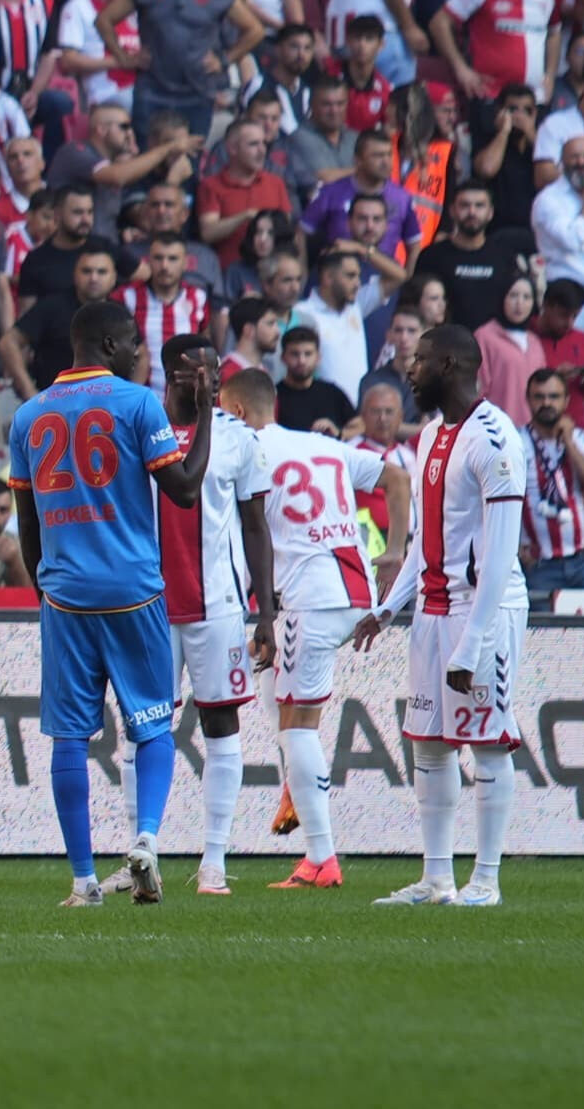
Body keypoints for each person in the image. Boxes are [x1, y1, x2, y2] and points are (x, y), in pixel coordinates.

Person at [5, 300, 203, 910]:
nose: (142, 357)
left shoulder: (28, 416)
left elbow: (27, 518)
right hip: (133, 589)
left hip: (65, 594)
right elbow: (185, 489)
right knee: (151, 725)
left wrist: (48, 591)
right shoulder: (137, 403)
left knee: (69, 736)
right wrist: (208, 416)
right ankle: (145, 839)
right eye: (137, 347)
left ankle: (83, 881)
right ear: (113, 348)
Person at [349, 327, 532, 910]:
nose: (409, 368)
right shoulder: (430, 435)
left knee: (488, 745)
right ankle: (436, 879)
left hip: (483, 612)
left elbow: (501, 554)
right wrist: (386, 608)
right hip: (430, 610)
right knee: (428, 745)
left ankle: (487, 880)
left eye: (420, 359)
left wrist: (472, 642)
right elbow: (426, 538)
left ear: (449, 364)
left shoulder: (495, 438)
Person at [212, 348, 377, 892]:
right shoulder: (322, 444)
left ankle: (321, 860)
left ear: (233, 408)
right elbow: (395, 479)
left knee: (297, 727)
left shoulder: (244, 448)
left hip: (308, 595)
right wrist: (395, 549)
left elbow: (244, 534)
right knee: (273, 681)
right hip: (354, 592)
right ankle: (293, 781)